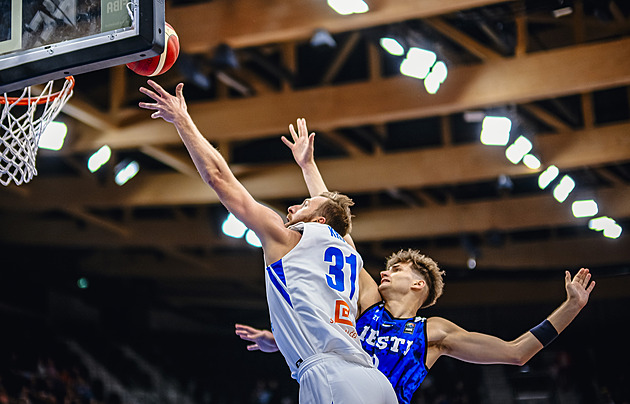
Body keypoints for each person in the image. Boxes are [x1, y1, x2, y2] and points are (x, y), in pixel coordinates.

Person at [235, 118, 596, 404]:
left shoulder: (432, 333)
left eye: (396, 270)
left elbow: (516, 353)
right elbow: (333, 233)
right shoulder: (367, 306)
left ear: (419, 284)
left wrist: (571, 307)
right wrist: (308, 166)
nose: (384, 273)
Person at [138, 82, 397, 404]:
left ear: (317, 221)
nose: (291, 208)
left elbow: (219, 178)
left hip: (331, 377)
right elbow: (330, 213)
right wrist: (307, 166)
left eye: (301, 205)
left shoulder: (286, 238)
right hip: (373, 380)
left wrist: (182, 120)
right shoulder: (348, 251)